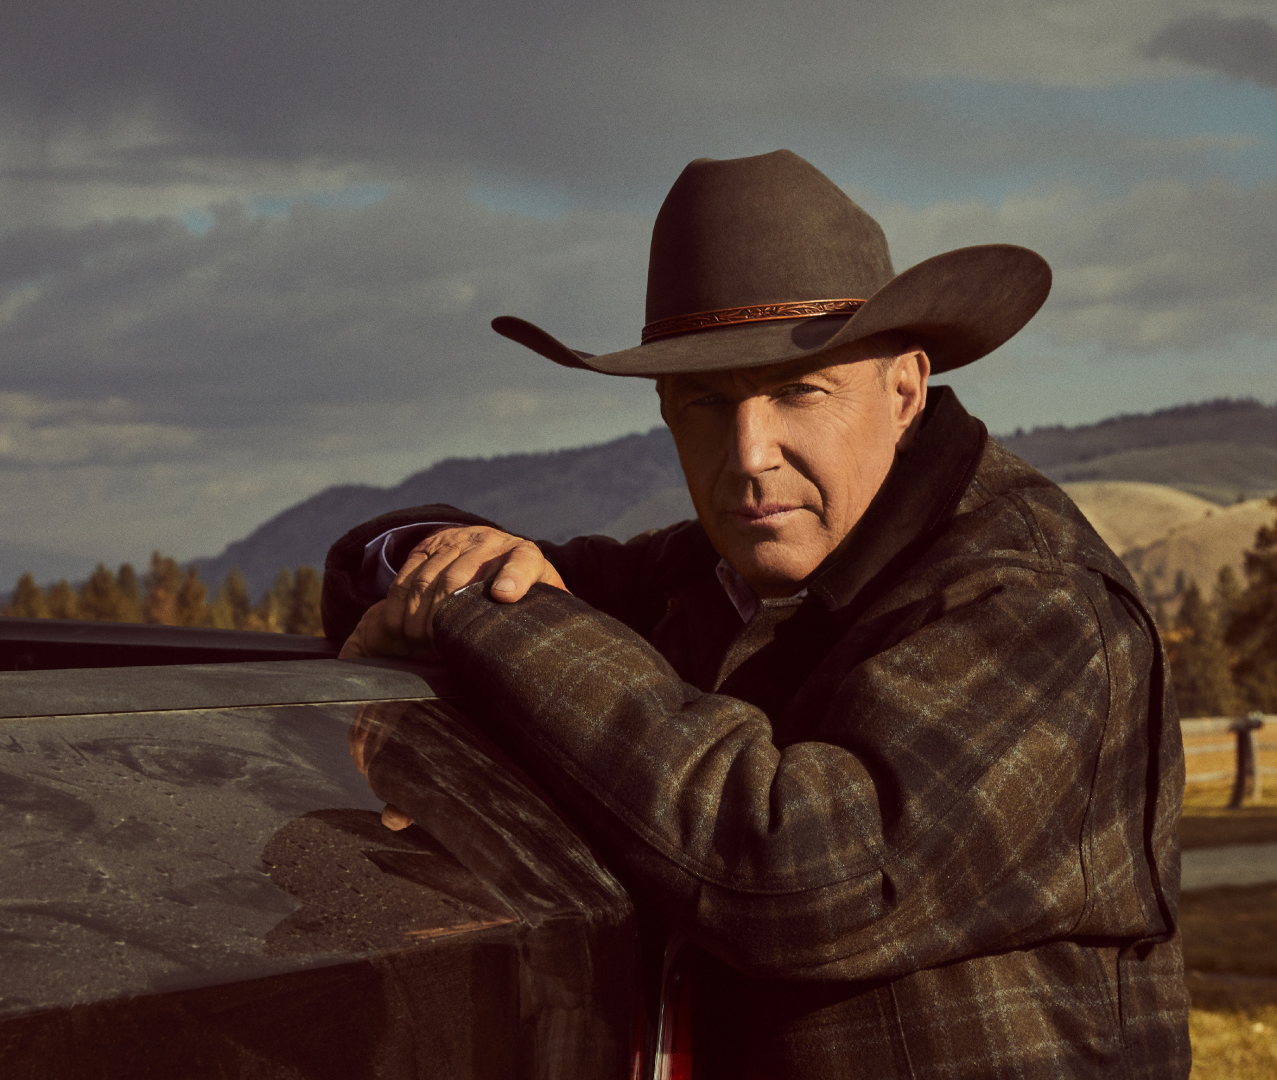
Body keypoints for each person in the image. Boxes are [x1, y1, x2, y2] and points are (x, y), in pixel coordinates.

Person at [323, 150, 1189, 1079]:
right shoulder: (711, 571)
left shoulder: (1035, 599)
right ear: (663, 410)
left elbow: (805, 870)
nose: (748, 453)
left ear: (903, 390)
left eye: (796, 391)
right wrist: (440, 567)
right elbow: (376, 561)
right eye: (705, 402)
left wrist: (480, 612)